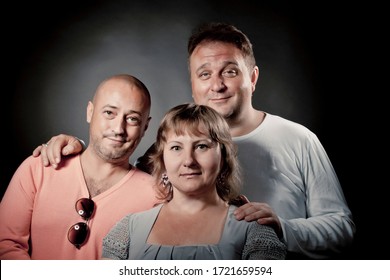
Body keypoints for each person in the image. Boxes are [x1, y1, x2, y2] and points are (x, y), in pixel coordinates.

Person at [32, 22, 355, 259]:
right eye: (204, 74)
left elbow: (342, 228)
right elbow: (119, 176)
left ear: (252, 78)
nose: (217, 85)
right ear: (192, 85)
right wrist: (75, 149)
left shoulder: (298, 139)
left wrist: (283, 228)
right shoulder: (166, 150)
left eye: (229, 71)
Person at [0, 74, 161, 259]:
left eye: (132, 119)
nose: (118, 129)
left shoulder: (155, 199)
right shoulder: (38, 168)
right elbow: (6, 245)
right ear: (90, 112)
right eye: (109, 113)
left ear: (145, 127)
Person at [101, 103, 286, 260]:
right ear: (162, 159)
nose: (188, 161)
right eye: (176, 147)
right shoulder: (127, 230)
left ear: (223, 157)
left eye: (201, 146)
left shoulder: (254, 230)